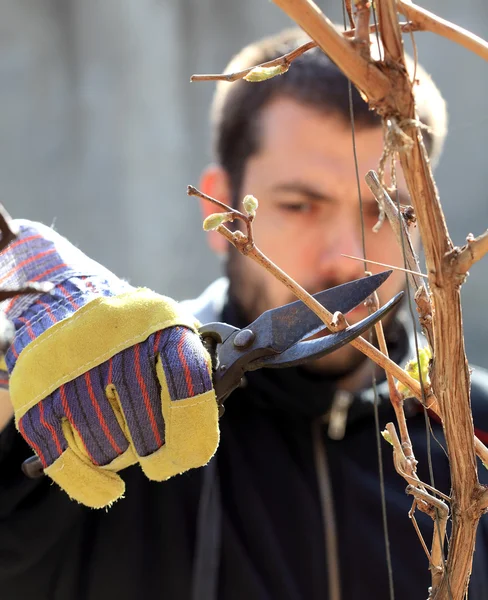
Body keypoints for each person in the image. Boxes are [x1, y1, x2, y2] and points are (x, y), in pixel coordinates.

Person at [1, 27, 488, 600]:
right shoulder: (118, 411)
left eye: (388, 211)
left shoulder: (475, 432)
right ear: (221, 212)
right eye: (300, 205)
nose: (344, 258)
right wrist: (28, 330)